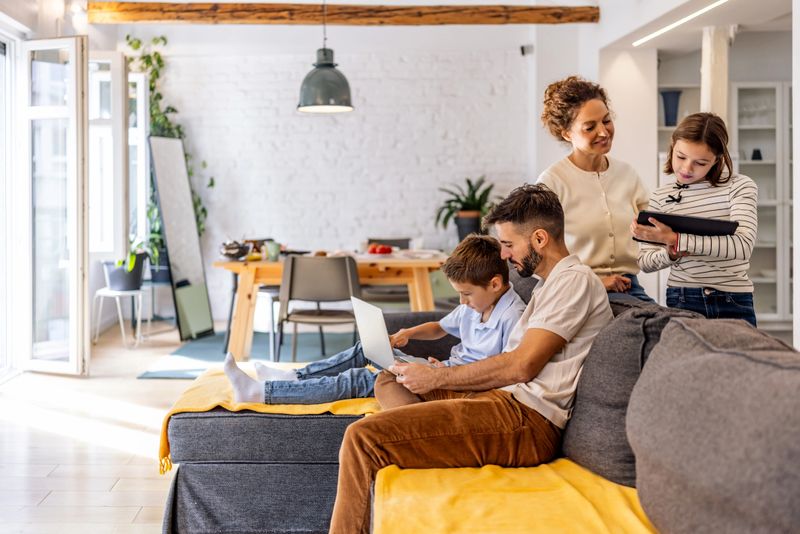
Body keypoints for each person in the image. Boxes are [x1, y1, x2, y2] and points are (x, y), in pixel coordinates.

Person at [328, 184, 613, 534]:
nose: (505, 255)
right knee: (389, 378)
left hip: (527, 421)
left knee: (362, 439)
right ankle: (427, 434)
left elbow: (522, 364)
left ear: (539, 239)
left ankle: (422, 434)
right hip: (503, 402)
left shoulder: (574, 282)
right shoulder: (549, 284)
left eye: (509, 244)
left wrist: (437, 379)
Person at [223, 234, 526, 405]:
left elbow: (503, 372)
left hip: (455, 385)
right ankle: (293, 377)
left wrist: (441, 376)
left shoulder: (512, 316)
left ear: (496, 284)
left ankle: (263, 393)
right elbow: (439, 327)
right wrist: (408, 332)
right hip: (441, 373)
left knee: (361, 380)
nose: (462, 301)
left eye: (466, 294)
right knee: (366, 348)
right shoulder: (476, 304)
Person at [631, 112, 758, 326]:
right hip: (682, 299)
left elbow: (743, 246)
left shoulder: (740, 186)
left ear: (717, 159)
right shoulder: (661, 196)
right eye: (681, 156)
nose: (686, 168)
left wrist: (675, 239)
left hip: (733, 300)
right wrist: (671, 253)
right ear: (672, 146)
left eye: (700, 162)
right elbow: (645, 263)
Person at [537, 75, 653, 302]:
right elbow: (536, 255)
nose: (603, 132)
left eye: (607, 121)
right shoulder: (552, 182)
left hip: (628, 287)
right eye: (590, 127)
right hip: (577, 291)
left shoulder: (627, 174)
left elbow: (651, 232)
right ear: (567, 133)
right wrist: (594, 281)